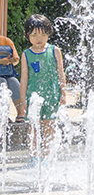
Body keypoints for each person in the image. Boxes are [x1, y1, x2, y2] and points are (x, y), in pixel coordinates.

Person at [19, 14, 67, 158]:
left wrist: (63, 93)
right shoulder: (26, 54)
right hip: (33, 95)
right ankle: (33, 156)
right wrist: (23, 100)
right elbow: (24, 78)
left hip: (51, 95)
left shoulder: (55, 51)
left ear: (48, 34)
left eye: (42, 35)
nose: (38, 39)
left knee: (49, 127)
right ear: (27, 35)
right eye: (34, 35)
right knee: (33, 127)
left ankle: (47, 156)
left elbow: (61, 73)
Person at [0, 34, 24, 121]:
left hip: (8, 73)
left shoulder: (6, 41)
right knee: (2, 82)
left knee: (14, 82)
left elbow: (16, 60)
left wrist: (11, 61)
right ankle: (4, 115)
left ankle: (20, 113)